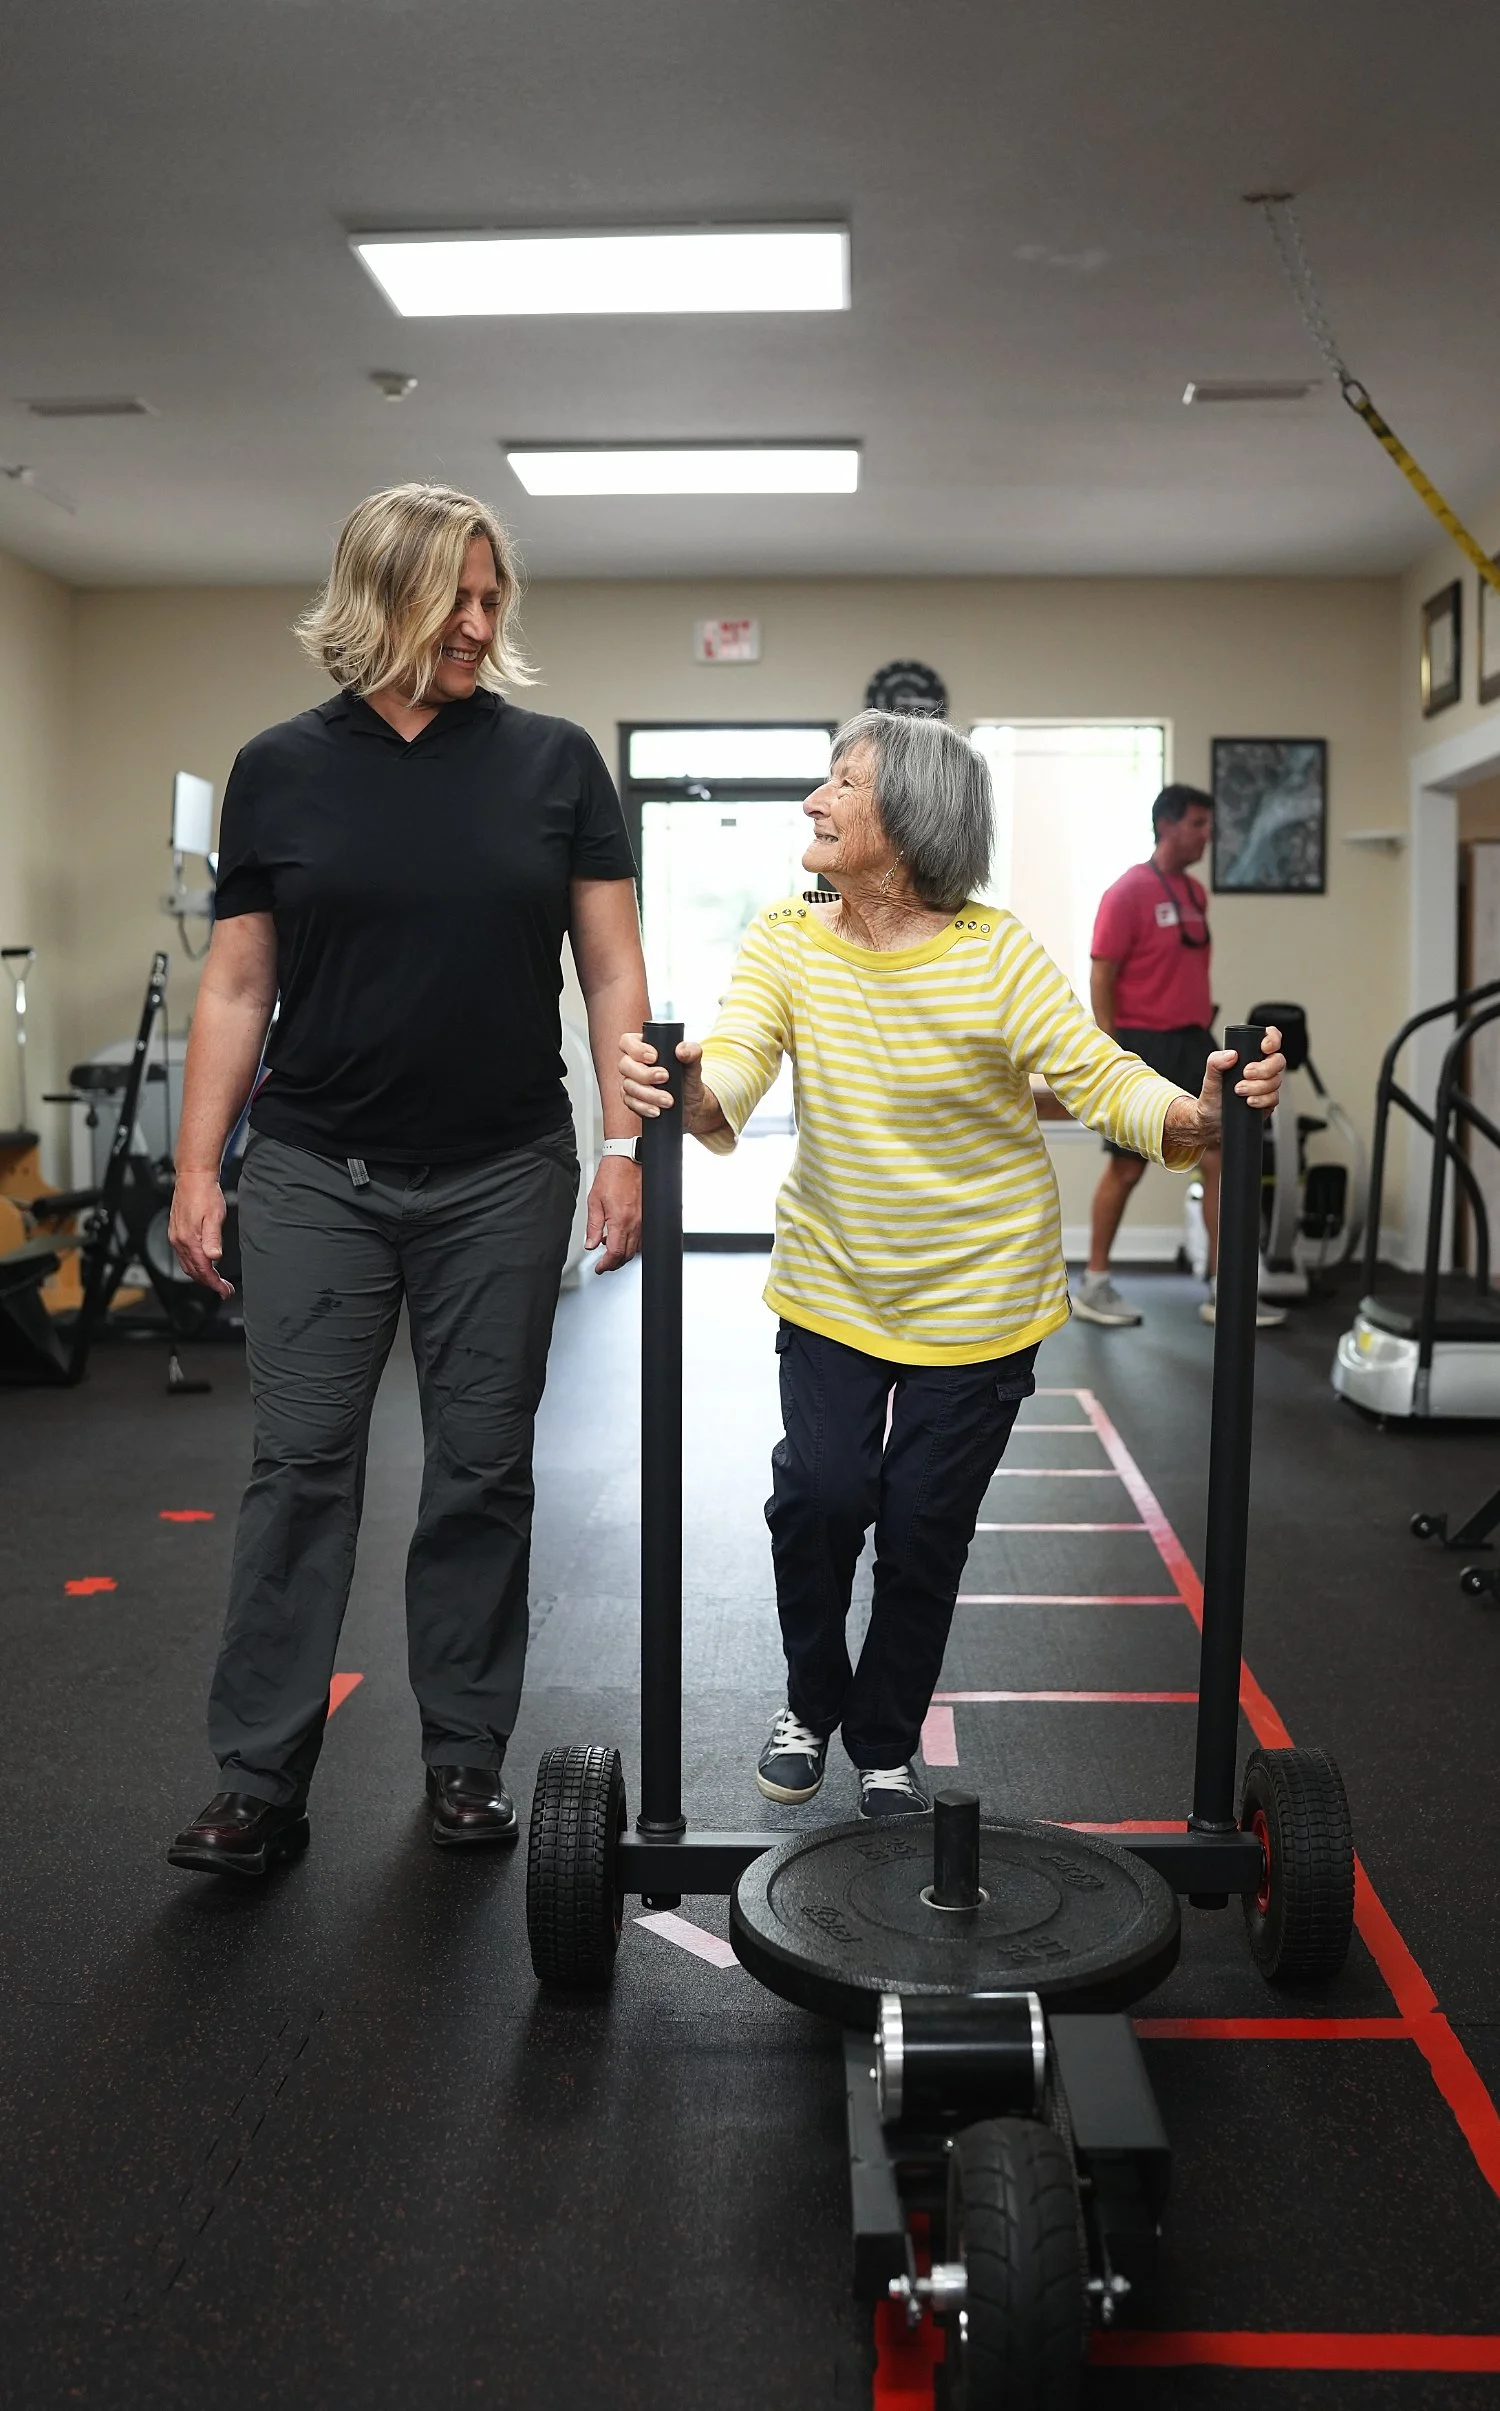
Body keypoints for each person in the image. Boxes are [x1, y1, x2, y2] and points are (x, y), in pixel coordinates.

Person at [621, 713, 1283, 1820]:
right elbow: (732, 1066)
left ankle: (883, 1742)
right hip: (836, 1283)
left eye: (843, 782)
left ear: (912, 819)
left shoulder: (997, 949)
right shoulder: (786, 938)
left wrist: (1192, 1113)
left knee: (924, 1526)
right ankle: (813, 1695)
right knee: (821, 1498)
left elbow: (1097, 1072)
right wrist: (693, 1087)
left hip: (981, 1293)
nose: (815, 801)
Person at [165, 483, 647, 1877]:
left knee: (481, 1472)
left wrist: (624, 1144)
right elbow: (238, 980)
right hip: (317, 1164)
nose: (484, 624)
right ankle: (257, 1775)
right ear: (383, 597)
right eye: (460, 599)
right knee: (300, 1469)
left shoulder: (554, 764)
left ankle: (462, 1761)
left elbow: (611, 968)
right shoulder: (278, 767)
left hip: (504, 1168)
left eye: (496, 598)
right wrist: (202, 1165)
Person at [1074, 782, 1285, 1331]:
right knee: (1126, 1166)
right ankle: (1095, 1281)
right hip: (1143, 1041)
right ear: (1167, 825)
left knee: (1223, 1158)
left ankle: (1226, 1288)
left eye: (1208, 825)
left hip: (1195, 1039)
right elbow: (1102, 972)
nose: (1206, 836)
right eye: (1198, 824)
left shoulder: (1194, 893)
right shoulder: (1127, 893)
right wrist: (1110, 1048)